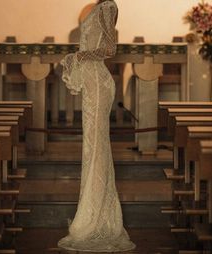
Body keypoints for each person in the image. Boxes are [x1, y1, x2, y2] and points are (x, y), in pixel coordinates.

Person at [58, 0, 136, 252]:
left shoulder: (107, 7)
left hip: (99, 83)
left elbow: (110, 49)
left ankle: (98, 216)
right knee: (92, 147)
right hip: (93, 82)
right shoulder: (98, 7)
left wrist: (80, 55)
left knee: (97, 146)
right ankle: (92, 211)